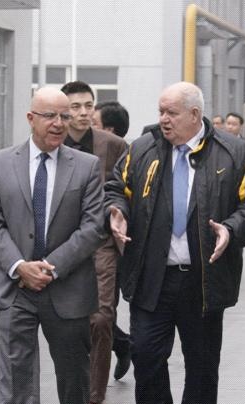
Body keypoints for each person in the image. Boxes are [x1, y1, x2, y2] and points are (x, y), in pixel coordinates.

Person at [105, 81, 245, 404]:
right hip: (151, 278)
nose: (163, 119)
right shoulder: (142, 149)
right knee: (146, 357)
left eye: (171, 113)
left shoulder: (234, 152)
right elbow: (115, 188)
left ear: (195, 114)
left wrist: (230, 229)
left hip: (203, 281)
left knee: (202, 367)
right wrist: (117, 211)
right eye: (161, 112)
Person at [0, 86, 105, 404]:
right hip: (15, 288)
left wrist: (49, 266)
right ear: (30, 118)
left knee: (74, 379)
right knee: (16, 380)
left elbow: (93, 227)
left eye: (64, 116)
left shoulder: (87, 166)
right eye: (50, 116)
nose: (59, 123)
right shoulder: (0, 162)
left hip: (68, 288)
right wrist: (19, 265)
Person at [61, 81, 127, 404]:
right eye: (75, 107)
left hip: (102, 243)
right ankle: (73, 397)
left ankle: (94, 399)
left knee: (101, 318)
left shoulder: (113, 146)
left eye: (89, 105)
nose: (84, 113)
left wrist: (118, 212)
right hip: (61, 245)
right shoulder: (52, 141)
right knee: (69, 325)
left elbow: (124, 189)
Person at [90, 100, 133, 382]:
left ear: (109, 131)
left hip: (107, 242)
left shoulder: (121, 155)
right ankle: (122, 342)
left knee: (101, 312)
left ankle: (93, 394)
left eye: (93, 122)